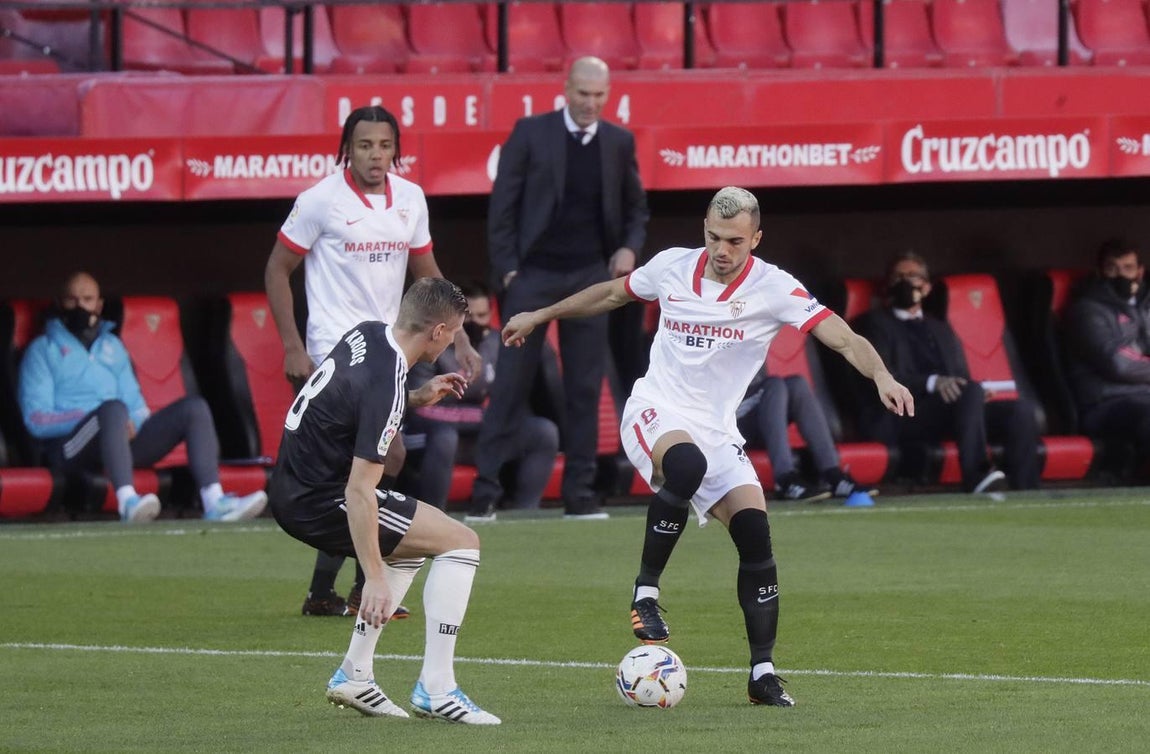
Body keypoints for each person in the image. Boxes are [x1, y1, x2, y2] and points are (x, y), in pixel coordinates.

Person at [500, 187, 913, 707]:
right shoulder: (671, 266)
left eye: (735, 241)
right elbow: (611, 294)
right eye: (714, 237)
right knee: (687, 465)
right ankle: (645, 593)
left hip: (717, 430)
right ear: (704, 228)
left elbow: (844, 337)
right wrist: (541, 314)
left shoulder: (775, 287)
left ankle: (762, 674)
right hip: (656, 410)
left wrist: (882, 375)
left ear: (756, 239)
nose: (722, 249)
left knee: (755, 534)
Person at [265, 104, 480, 617]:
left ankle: (328, 591)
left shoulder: (410, 199)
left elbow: (428, 272)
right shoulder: (320, 200)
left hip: (393, 343)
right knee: (381, 458)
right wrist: (292, 344)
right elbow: (277, 268)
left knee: (365, 465)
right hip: (337, 346)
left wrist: (461, 337)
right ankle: (365, 584)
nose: (375, 155)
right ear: (347, 149)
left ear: (396, 151)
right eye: (364, 145)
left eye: (384, 146)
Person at [269, 277, 499, 725]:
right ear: (437, 332)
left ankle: (356, 674)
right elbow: (358, 491)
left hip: (293, 483)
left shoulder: (368, 332)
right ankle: (437, 688)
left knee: (415, 543)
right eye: (453, 333)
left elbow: (355, 403)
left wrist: (417, 397)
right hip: (317, 499)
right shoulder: (386, 385)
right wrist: (372, 577)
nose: (451, 342)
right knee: (462, 542)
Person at [472, 55, 650, 521]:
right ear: (566, 89)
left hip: (589, 276)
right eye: (583, 93)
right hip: (532, 275)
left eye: (599, 95)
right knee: (510, 383)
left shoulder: (619, 142)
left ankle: (580, 494)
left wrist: (628, 248)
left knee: (585, 387)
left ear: (607, 95)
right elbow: (502, 207)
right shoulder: (531, 132)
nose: (590, 102)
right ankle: (484, 492)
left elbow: (636, 210)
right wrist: (509, 272)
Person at [18, 271, 267, 523]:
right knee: (112, 409)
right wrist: (94, 418)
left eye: (87, 299)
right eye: (72, 300)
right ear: (59, 303)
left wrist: (131, 424)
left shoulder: (113, 347)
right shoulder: (42, 350)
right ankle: (128, 501)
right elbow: (36, 420)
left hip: (119, 441)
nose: (80, 306)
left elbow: (136, 405)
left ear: (99, 305)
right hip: (71, 449)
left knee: (194, 409)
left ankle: (215, 501)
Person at [852, 251, 1040, 493]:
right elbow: (880, 376)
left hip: (948, 412)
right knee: (970, 392)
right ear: (888, 285)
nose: (906, 282)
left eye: (913, 276)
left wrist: (975, 394)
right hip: (901, 414)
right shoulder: (873, 324)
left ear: (927, 287)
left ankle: (1027, 490)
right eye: (899, 277)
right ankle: (977, 475)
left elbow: (959, 376)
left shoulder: (940, 327)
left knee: (1019, 411)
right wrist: (933, 382)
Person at [405, 281, 559, 512]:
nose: (475, 322)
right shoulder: (431, 345)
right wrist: (482, 417)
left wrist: (495, 417)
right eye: (468, 317)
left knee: (542, 432)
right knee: (446, 438)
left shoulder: (496, 343)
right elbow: (418, 407)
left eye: (482, 315)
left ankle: (524, 515)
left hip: (478, 436)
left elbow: (505, 400)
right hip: (429, 435)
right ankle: (432, 516)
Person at [1064, 239, 1150, 474]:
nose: (1121, 275)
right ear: (1100, 272)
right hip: (1106, 403)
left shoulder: (1145, 307)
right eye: (1113, 268)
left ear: (1140, 272)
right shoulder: (1087, 310)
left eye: (1128, 268)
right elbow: (1118, 364)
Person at [737, 371, 877, 505]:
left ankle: (832, 475)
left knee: (797, 384)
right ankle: (784, 480)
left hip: (752, 412)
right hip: (730, 424)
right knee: (773, 385)